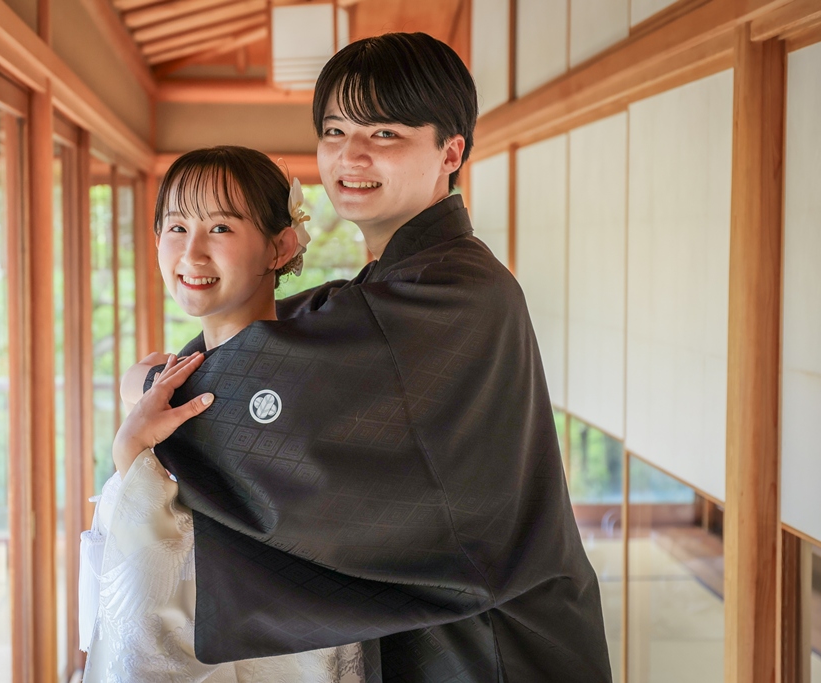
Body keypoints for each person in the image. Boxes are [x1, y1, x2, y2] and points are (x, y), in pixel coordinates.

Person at [120, 33, 612, 682]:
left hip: (494, 649)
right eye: (335, 129)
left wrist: (155, 392)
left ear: (450, 150)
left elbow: (293, 385)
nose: (351, 154)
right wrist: (168, 374)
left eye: (384, 133)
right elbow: (298, 331)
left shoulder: (452, 292)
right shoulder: (404, 282)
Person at [80, 147, 366, 682]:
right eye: (176, 227)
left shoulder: (286, 384)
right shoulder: (186, 373)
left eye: (220, 229)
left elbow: (198, 567)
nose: (191, 253)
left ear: (279, 246)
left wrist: (131, 455)